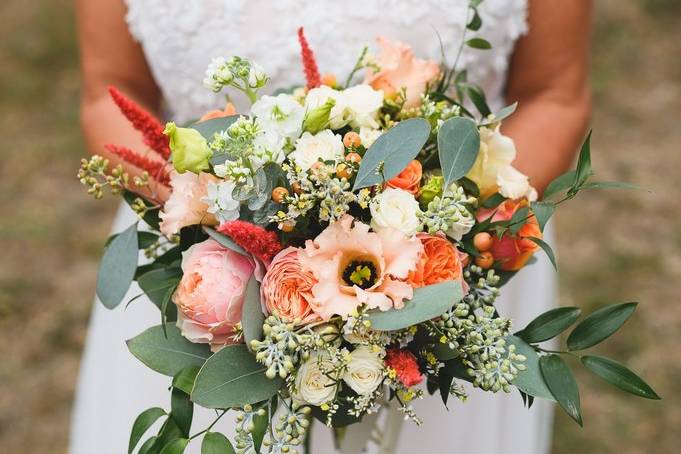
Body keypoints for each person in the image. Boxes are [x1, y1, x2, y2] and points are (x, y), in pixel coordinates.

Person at [71, 1, 592, 453]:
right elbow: (110, 93)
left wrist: (451, 249)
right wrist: (205, 216)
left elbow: (555, 94)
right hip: (205, 271)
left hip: (452, 276)